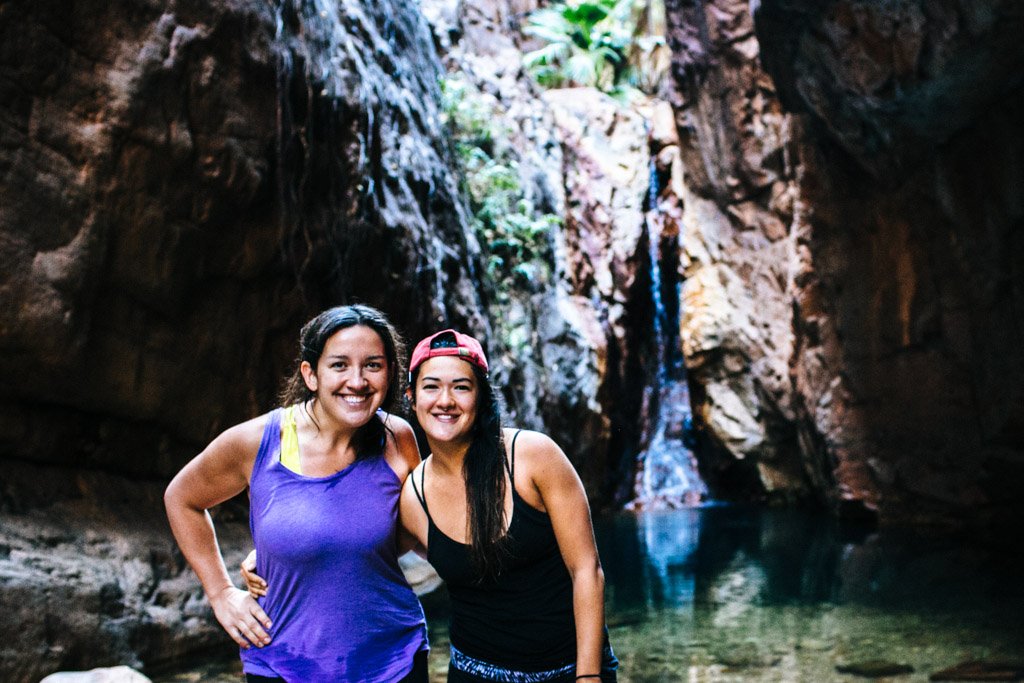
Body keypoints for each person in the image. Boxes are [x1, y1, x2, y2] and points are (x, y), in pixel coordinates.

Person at [246, 328, 618, 682]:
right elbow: (354, 544)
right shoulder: (414, 495)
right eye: (431, 387)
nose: (445, 401)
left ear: (481, 396)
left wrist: (588, 675)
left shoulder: (533, 457)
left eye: (461, 387)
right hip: (474, 674)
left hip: (568, 671)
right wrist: (272, 550)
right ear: (411, 397)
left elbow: (586, 570)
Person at [164, 304, 429, 683]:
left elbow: (412, 533)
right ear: (311, 374)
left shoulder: (397, 437)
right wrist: (221, 592)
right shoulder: (257, 441)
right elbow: (182, 499)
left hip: (393, 660)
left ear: (390, 374)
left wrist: (297, 547)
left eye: (373, 365)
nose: (357, 380)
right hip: (283, 663)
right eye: (339, 365)